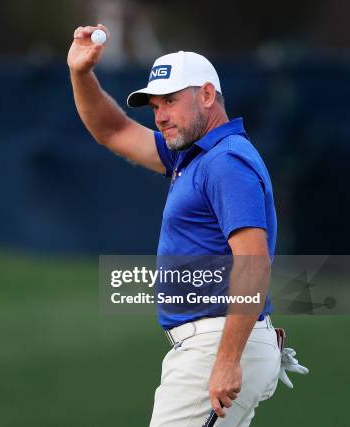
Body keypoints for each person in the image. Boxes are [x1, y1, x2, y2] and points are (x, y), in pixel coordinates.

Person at [67, 24, 308, 427]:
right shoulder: (193, 156)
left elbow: (254, 263)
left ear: (208, 95)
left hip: (215, 347)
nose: (161, 116)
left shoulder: (226, 162)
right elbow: (113, 130)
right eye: (156, 106)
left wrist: (227, 361)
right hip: (211, 346)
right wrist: (80, 73)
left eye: (170, 102)